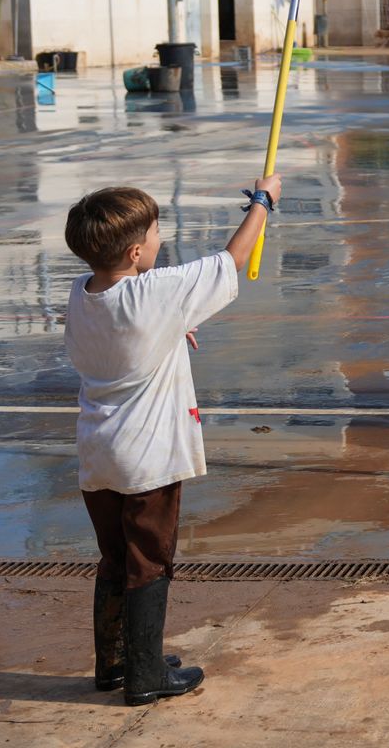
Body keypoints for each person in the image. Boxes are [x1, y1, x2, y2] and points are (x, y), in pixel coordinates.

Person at [65, 174, 279, 705]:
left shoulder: (82, 293)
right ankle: (145, 676)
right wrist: (263, 202)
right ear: (137, 251)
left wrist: (171, 327)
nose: (162, 238)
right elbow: (230, 260)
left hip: (98, 456)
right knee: (149, 560)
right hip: (148, 458)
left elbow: (121, 333)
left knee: (115, 557)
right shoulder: (154, 291)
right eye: (157, 231)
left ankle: (116, 662)